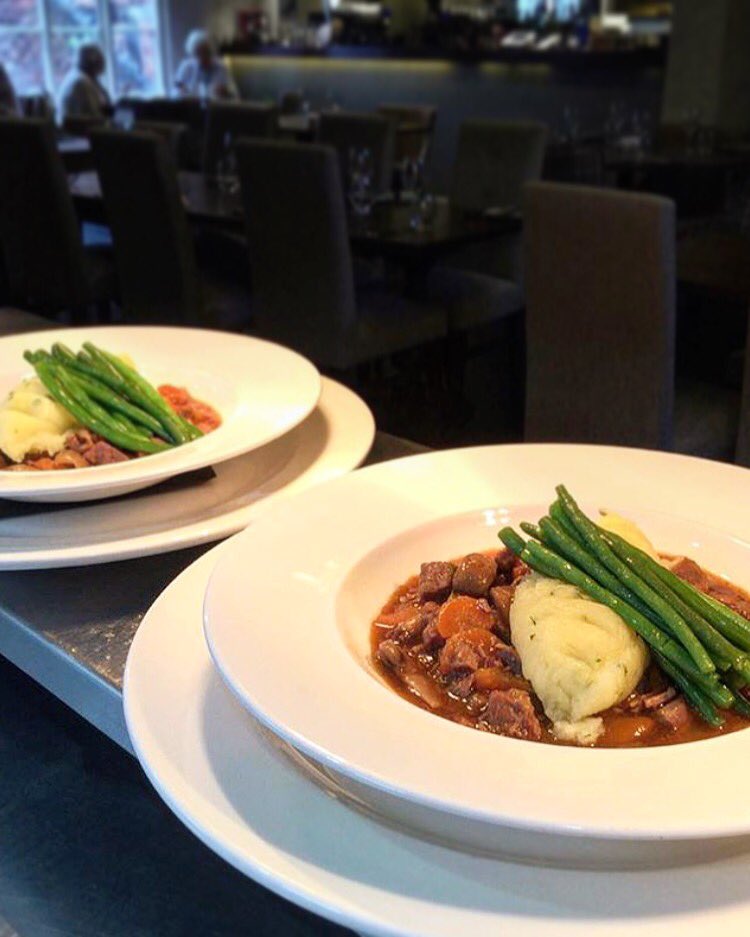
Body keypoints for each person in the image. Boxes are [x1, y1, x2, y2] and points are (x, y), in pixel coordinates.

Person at [174, 30, 238, 101]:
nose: (202, 56)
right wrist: (181, 92)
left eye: (206, 52)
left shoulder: (221, 67)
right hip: (191, 108)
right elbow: (175, 93)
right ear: (192, 53)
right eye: (198, 53)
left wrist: (226, 93)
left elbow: (235, 96)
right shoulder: (186, 67)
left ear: (211, 51)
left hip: (216, 108)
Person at [58, 44, 112, 125]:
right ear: (92, 62)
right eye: (100, 60)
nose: (103, 64)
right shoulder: (81, 83)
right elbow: (95, 116)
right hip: (81, 133)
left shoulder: (82, 77)